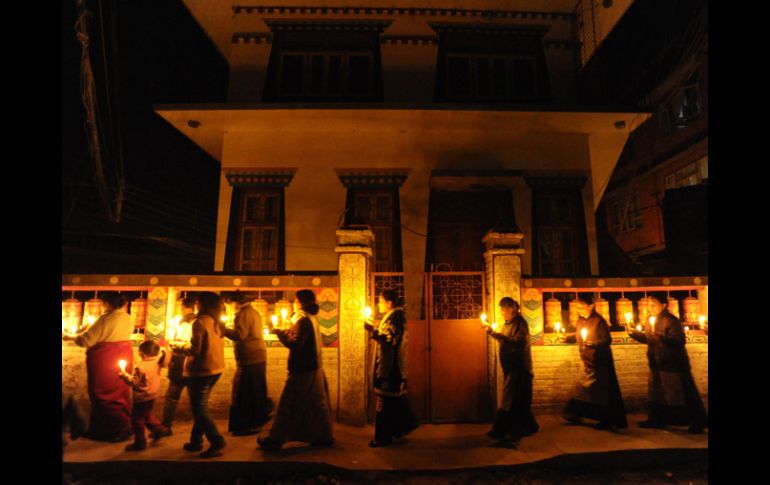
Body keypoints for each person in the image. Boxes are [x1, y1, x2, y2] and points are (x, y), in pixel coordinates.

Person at [257, 289, 334, 450]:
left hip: (302, 370)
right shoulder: (311, 318)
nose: (293, 304)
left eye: (295, 301)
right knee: (316, 406)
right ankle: (322, 437)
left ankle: (275, 439)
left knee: (288, 406)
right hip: (313, 368)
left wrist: (280, 333)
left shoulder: (302, 320)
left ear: (299, 302)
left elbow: (295, 344)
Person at [627, 295, 708, 433]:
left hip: (673, 364)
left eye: (653, 304)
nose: (649, 307)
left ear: (663, 305)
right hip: (656, 364)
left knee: (682, 394)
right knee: (657, 395)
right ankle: (656, 420)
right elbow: (649, 339)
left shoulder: (671, 321)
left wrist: (662, 337)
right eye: (648, 304)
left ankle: (697, 422)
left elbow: (679, 340)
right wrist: (634, 334)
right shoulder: (650, 321)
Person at [62, 292, 134, 442]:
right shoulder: (127, 317)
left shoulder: (106, 318)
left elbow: (87, 341)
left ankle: (118, 430)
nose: (102, 307)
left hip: (105, 360)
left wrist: (71, 337)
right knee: (119, 394)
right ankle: (103, 429)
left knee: (103, 395)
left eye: (103, 303)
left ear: (107, 303)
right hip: (123, 357)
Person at [171, 291, 227, 458]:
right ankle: (196, 441)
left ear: (202, 305)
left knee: (199, 408)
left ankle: (217, 442)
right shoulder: (217, 322)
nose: (195, 305)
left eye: (198, 302)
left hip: (201, 370)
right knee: (200, 407)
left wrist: (177, 346)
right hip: (216, 368)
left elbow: (195, 350)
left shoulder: (199, 323)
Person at [562, 298, 628, 430]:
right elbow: (579, 335)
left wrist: (594, 344)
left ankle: (607, 420)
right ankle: (573, 413)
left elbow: (607, 339)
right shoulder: (581, 321)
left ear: (591, 306)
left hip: (600, 362)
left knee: (601, 393)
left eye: (582, 307)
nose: (579, 310)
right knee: (580, 388)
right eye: (577, 307)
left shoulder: (599, 321)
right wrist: (568, 338)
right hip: (586, 361)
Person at [364, 289, 418, 447]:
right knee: (394, 401)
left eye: (380, 301)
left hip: (390, 368)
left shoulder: (395, 317)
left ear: (389, 303)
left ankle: (382, 438)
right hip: (393, 366)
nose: (378, 304)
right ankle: (400, 429)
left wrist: (371, 330)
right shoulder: (396, 316)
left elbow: (387, 338)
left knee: (384, 403)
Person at [484, 297, 539, 442]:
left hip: (519, 367)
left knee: (513, 400)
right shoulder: (508, 324)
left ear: (512, 309)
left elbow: (520, 342)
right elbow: (505, 340)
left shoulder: (520, 324)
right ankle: (524, 427)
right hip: (510, 367)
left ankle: (509, 431)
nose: (502, 312)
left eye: (504, 309)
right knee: (513, 399)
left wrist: (499, 335)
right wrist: (493, 333)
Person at [221, 291, 273, 436]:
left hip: (249, 358)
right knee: (255, 391)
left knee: (244, 393)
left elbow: (240, 335)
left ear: (234, 302)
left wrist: (223, 329)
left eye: (228, 305)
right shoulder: (253, 312)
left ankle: (246, 425)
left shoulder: (242, 314)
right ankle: (257, 422)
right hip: (258, 356)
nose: (229, 308)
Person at [119, 340, 170, 451]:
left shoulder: (141, 367)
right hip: (152, 395)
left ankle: (140, 443)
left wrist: (124, 375)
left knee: (137, 419)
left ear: (142, 353)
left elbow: (134, 382)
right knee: (146, 415)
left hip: (142, 397)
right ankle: (159, 430)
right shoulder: (157, 363)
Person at [160, 294, 197, 435]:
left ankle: (166, 425)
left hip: (180, 362)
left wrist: (170, 354)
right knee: (196, 400)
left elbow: (174, 343)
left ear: (185, 308)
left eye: (181, 308)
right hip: (194, 365)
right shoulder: (198, 322)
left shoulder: (183, 323)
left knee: (172, 397)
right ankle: (199, 430)